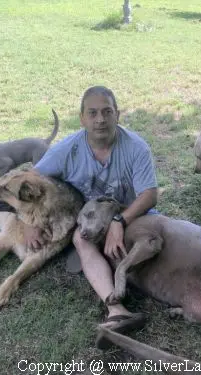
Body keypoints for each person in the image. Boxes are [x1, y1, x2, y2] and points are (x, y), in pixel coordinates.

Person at [25, 86, 158, 332]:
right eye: (93, 113)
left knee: (154, 247)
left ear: (118, 114)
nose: (100, 120)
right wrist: (31, 223)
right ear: (82, 118)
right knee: (80, 239)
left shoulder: (136, 148)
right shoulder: (68, 149)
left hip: (131, 214)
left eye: (107, 112)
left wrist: (120, 220)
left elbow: (150, 195)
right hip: (91, 221)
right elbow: (32, 179)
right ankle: (117, 311)